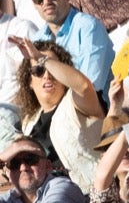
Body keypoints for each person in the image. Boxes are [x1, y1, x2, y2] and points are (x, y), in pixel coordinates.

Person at [15, 36, 106, 193]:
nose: (47, 75)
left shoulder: (77, 101)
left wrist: (40, 58)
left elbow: (84, 86)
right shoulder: (28, 122)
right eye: (39, 69)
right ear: (29, 81)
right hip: (44, 195)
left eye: (52, 68)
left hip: (88, 195)